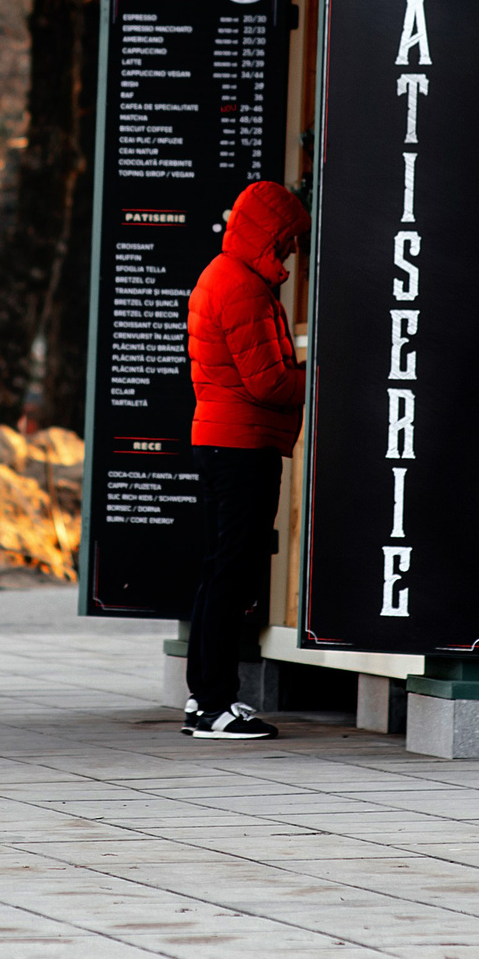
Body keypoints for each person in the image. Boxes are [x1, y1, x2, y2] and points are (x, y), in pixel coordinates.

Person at [181, 179, 309, 741]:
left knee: (218, 572)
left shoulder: (225, 275)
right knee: (233, 573)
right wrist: (321, 380)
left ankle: (201, 698)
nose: (287, 252)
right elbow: (269, 382)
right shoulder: (244, 288)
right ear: (267, 233)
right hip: (241, 444)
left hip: (222, 438)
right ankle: (216, 705)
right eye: (284, 240)